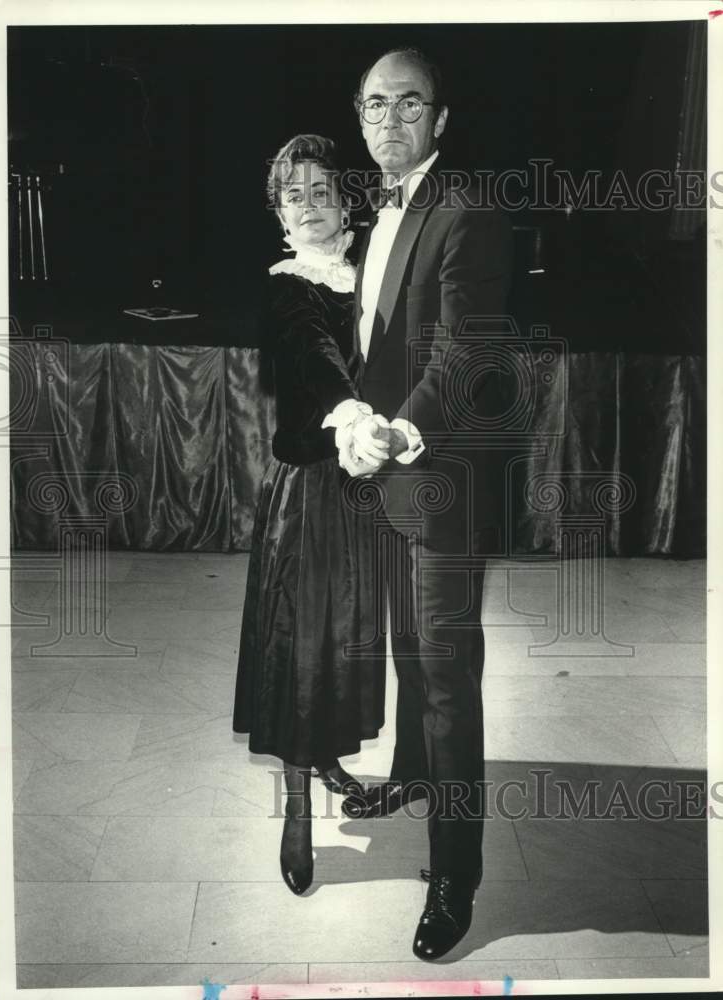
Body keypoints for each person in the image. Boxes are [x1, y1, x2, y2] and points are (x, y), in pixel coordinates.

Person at [335, 48, 514, 960]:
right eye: (375, 105)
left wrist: (399, 435)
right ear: (360, 120)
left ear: (441, 120)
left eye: (410, 104)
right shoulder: (382, 211)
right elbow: (379, 348)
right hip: (393, 477)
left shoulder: (468, 211)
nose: (391, 120)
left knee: (447, 680)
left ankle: (457, 874)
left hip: (441, 480)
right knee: (409, 649)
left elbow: (463, 355)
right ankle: (412, 777)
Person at [232, 134, 394, 897]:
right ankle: (297, 807)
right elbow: (313, 354)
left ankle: (326, 752)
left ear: (345, 201)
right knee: (301, 644)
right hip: (310, 493)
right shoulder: (287, 287)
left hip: (364, 492)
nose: (310, 205)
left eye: (323, 190)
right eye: (293, 193)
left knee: (346, 637)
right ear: (278, 213)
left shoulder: (365, 276)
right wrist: (355, 415)